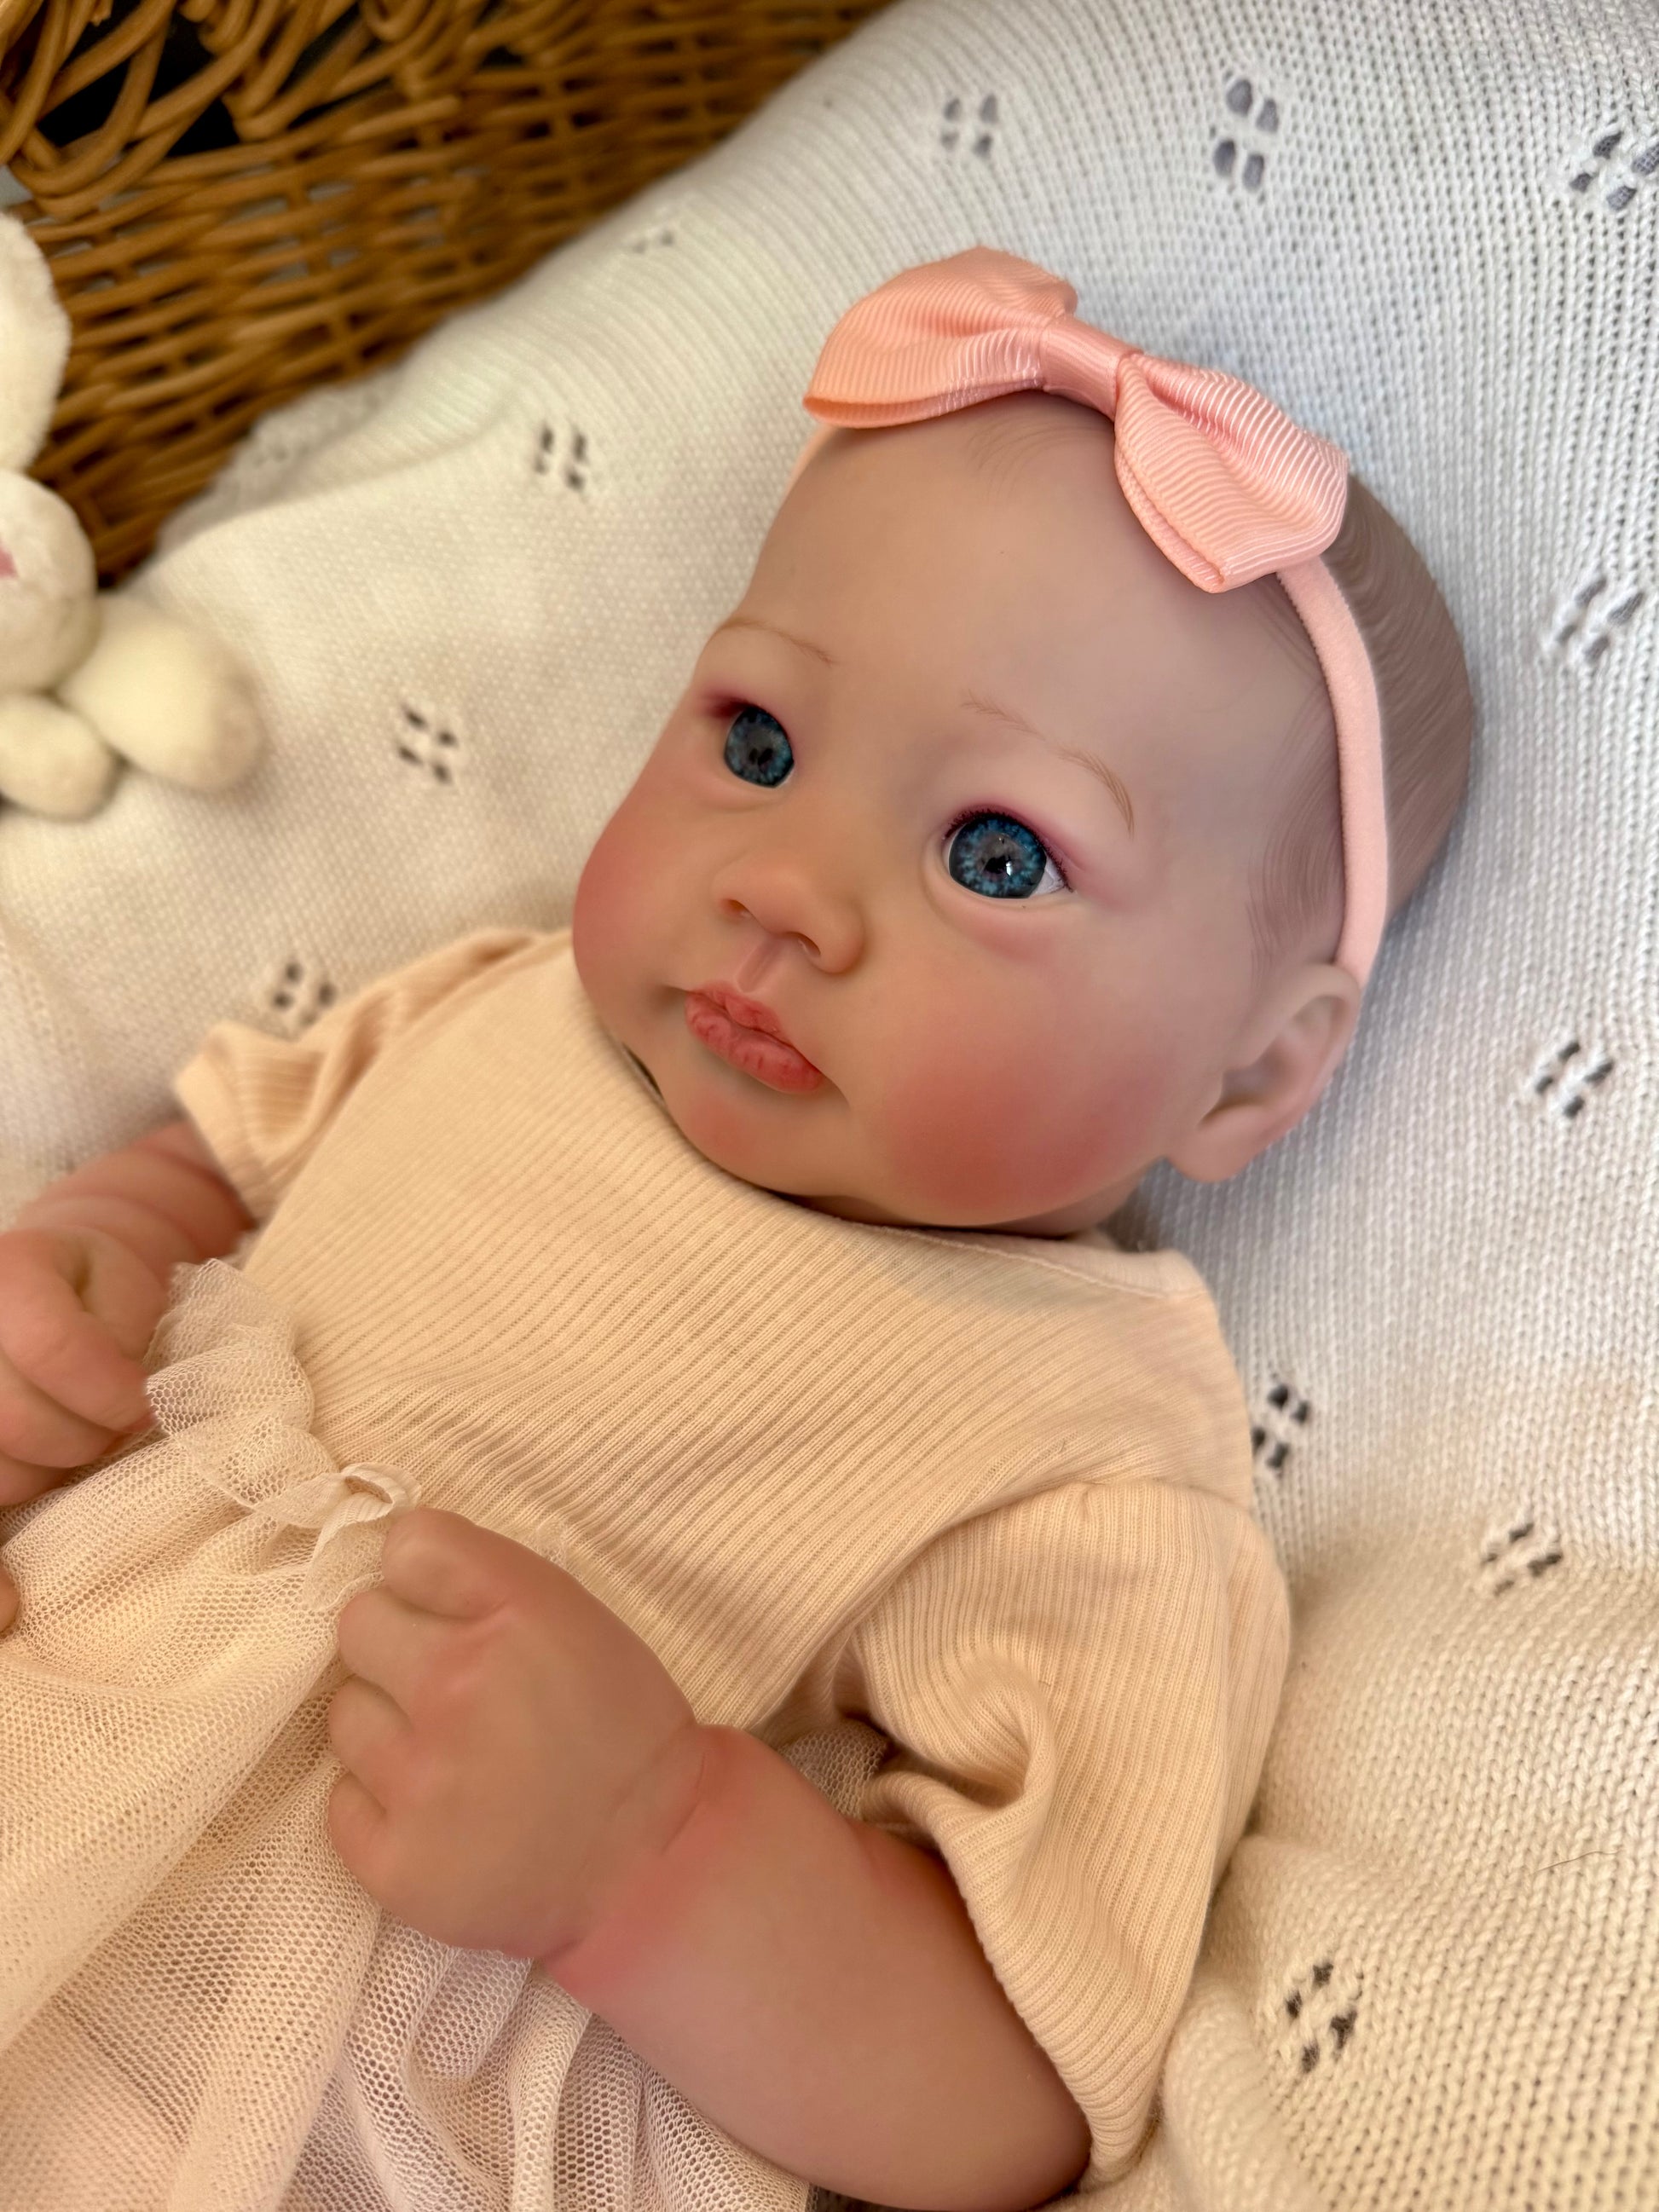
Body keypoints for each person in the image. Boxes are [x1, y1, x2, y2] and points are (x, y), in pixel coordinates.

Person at [0, 248, 1472, 2212]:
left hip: (329, 2078)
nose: (784, 884)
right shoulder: (514, 1000)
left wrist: (652, 1852)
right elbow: (229, 1161)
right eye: (760, 743)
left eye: (996, 853)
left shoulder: (1080, 1442)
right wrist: (96, 1267)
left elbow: (1025, 2072)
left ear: (1252, 1071)